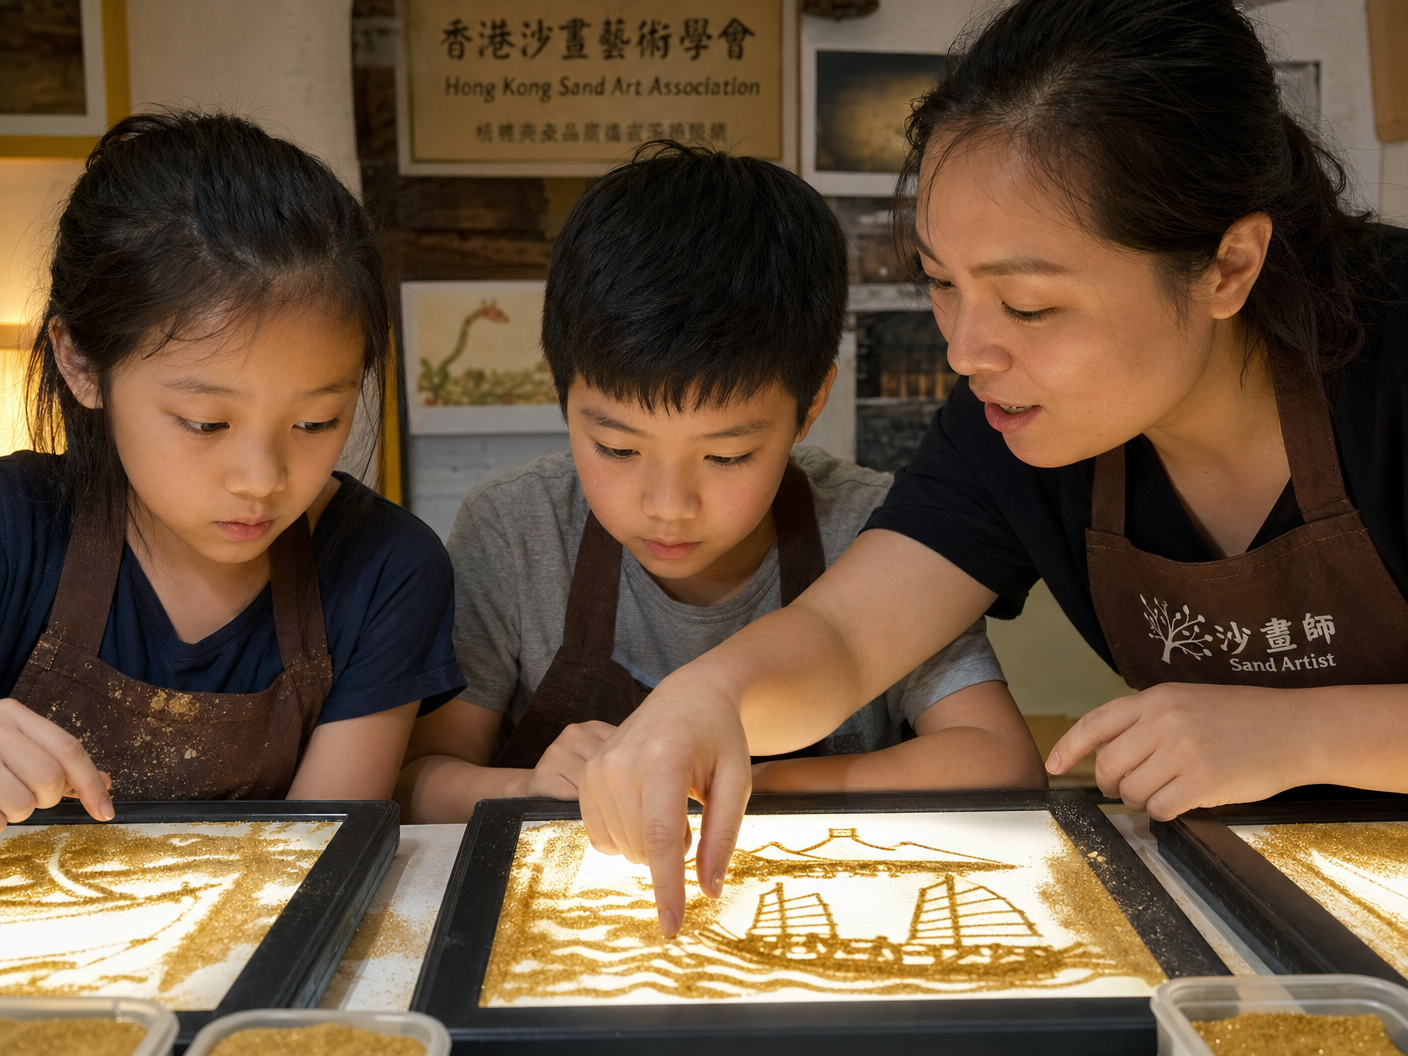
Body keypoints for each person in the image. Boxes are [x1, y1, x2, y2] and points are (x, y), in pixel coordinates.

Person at [572, 0, 1408, 936]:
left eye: (1029, 304)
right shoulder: (1008, 424)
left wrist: (1303, 733)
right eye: (940, 281)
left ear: (1226, 265)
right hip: (1265, 901)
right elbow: (847, 640)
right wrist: (704, 700)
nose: (968, 350)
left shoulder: (1393, 364)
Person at [396, 143, 1042, 827]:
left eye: (728, 456)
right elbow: (418, 780)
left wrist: (714, 788)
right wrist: (532, 788)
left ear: (811, 402)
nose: (669, 506)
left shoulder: (872, 528)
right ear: (561, 392)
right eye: (617, 447)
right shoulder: (517, 530)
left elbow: (999, 760)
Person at [0, 112, 465, 830]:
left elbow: (319, 862)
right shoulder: (13, 528)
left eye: (315, 424)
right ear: (80, 362)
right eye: (206, 424)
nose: (261, 479)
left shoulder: (386, 570)